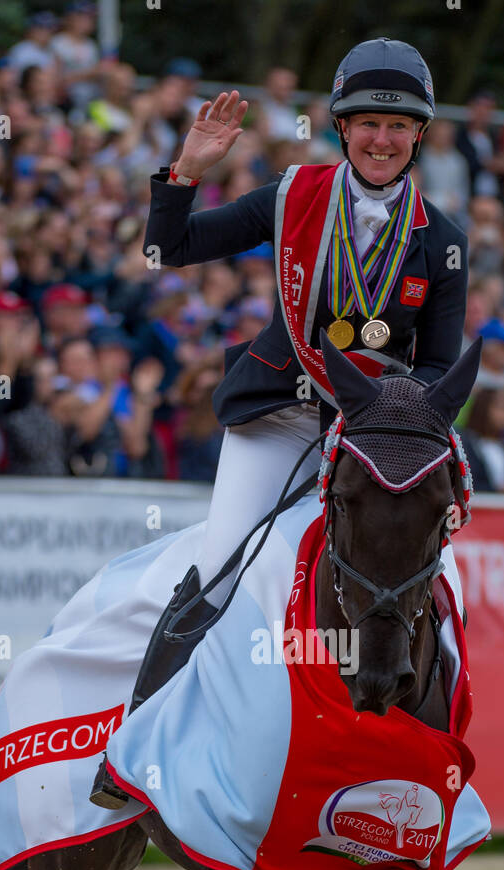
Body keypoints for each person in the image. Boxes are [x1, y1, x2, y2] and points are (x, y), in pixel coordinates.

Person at [91, 37, 467, 807]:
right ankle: (132, 757)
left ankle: (433, 772)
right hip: (279, 418)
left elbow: (435, 373)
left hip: (374, 440)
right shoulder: (291, 196)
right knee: (219, 572)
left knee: (442, 588)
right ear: (340, 127)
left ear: (418, 135)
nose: (382, 140)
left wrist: (379, 419)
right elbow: (169, 248)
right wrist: (185, 172)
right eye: (367, 123)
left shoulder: (444, 241)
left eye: (398, 128)